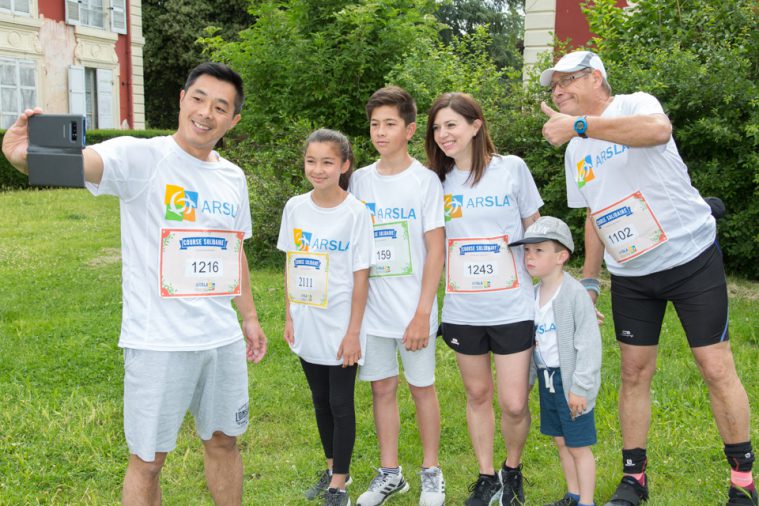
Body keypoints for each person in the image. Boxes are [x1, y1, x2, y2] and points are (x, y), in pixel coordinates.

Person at [2, 62, 268, 505]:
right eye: (198, 99)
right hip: (157, 343)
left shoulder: (232, 177)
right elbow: (81, 163)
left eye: (220, 107)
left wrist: (251, 317)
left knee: (224, 441)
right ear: (181, 100)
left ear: (233, 119)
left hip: (220, 340)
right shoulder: (140, 156)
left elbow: (232, 249)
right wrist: (22, 155)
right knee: (148, 460)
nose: (206, 113)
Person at [540, 50, 756, 506]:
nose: (557, 92)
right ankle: (634, 478)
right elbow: (595, 216)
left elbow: (658, 132)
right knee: (635, 372)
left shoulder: (635, 104)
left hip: (690, 258)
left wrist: (579, 125)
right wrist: (592, 280)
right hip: (633, 275)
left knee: (715, 367)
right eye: (553, 86)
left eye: (565, 82)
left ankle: (742, 482)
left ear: (595, 77)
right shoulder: (576, 150)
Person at [425, 92, 543, 506]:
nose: (443, 135)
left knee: (513, 403)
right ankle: (486, 475)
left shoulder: (512, 169)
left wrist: (554, 292)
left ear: (476, 125)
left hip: (512, 306)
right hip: (463, 310)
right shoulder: (434, 181)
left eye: (451, 125)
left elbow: (537, 231)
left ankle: (513, 470)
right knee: (477, 395)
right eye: (437, 128)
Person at [349, 86, 446, 506]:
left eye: (390, 124)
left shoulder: (425, 181)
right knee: (381, 389)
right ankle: (390, 474)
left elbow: (436, 248)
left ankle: (431, 473)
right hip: (373, 312)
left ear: (409, 130)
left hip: (413, 310)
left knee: (421, 387)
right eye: (374, 124)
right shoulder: (358, 181)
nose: (381, 132)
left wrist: (423, 312)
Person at [278, 128, 373, 506]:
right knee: (319, 399)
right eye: (311, 161)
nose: (318, 170)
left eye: (327, 162)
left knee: (339, 401)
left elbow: (361, 277)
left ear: (344, 165)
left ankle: (340, 484)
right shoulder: (295, 208)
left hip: (341, 324)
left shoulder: (356, 213)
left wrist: (353, 333)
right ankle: (333, 464)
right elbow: (291, 262)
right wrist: (289, 316)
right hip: (307, 322)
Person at [509, 216, 602, 506]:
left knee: (578, 446)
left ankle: (587, 501)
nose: (530, 257)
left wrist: (580, 387)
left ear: (561, 256)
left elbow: (588, 345)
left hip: (571, 381)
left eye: (539, 251)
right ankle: (573, 495)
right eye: (527, 251)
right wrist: (526, 382)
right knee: (561, 441)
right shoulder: (533, 295)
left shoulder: (574, 295)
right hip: (549, 380)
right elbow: (533, 346)